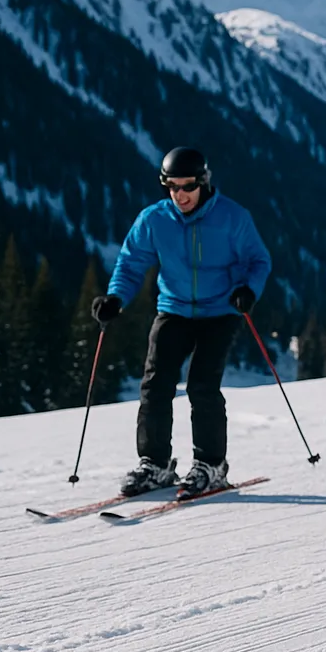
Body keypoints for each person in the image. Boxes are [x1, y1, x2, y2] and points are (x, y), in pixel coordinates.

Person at [94, 147, 271, 497]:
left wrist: (248, 291)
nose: (179, 195)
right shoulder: (154, 219)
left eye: (186, 187)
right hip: (173, 310)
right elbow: (130, 264)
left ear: (203, 183)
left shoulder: (232, 217)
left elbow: (258, 261)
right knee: (155, 384)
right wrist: (116, 298)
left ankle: (211, 466)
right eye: (171, 187)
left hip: (220, 312)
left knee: (202, 387)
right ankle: (155, 464)